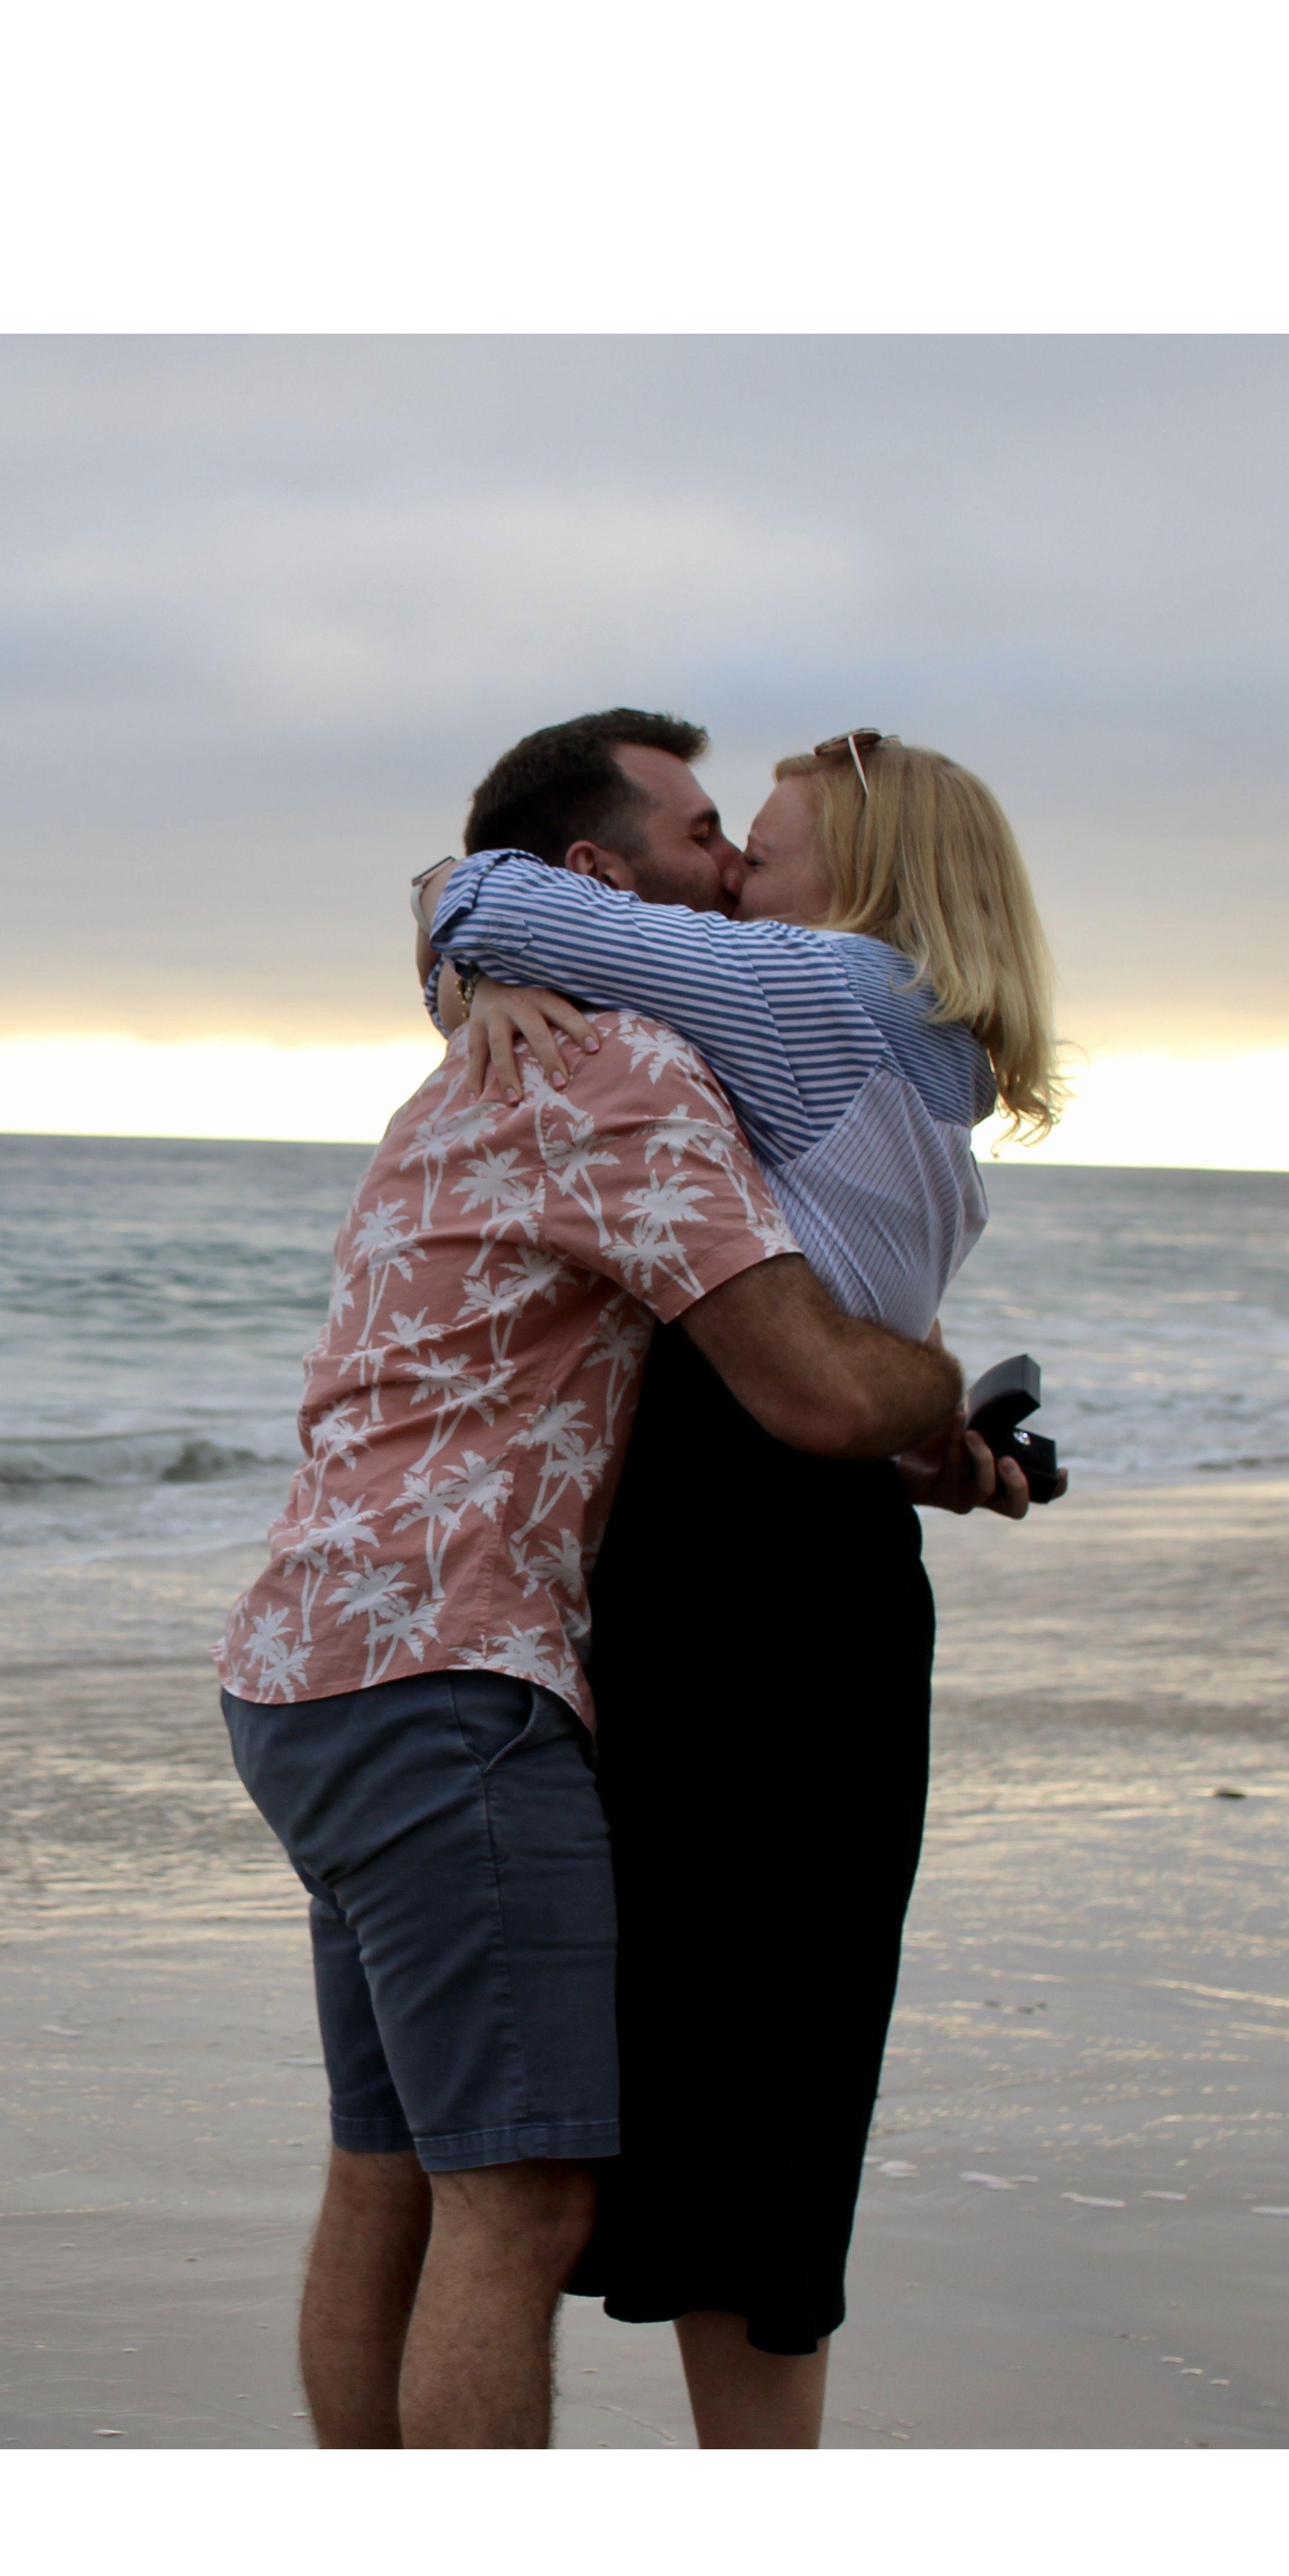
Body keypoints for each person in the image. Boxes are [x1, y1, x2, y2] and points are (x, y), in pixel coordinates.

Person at [216, 789, 968, 2451]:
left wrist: (456, 959)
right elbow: (820, 1390)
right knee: (519, 2211)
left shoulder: (469, 1066)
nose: (730, 864)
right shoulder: (617, 1069)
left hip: (303, 1660)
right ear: (593, 882)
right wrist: (936, 1385)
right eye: (706, 830)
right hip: (453, 1679)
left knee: (393, 2169)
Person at [416, 710, 1062, 2446]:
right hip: (829, 1577)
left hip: (735, 1592)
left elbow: (481, 886)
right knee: (790, 2062)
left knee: (726, 2072)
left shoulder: (807, 991)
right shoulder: (930, 1042)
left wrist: (472, 965)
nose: (731, 872)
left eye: (761, 843)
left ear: (858, 876)